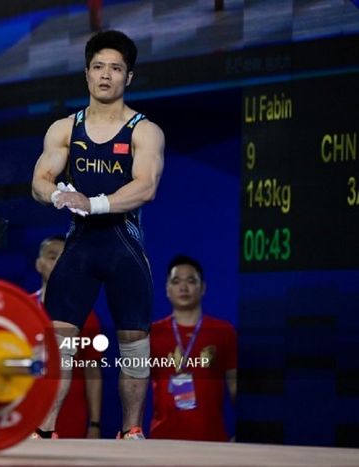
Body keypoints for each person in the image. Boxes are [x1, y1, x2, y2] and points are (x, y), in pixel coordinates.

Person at [31, 30, 165, 440]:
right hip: (81, 250)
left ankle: (132, 431)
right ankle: (43, 428)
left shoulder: (145, 131)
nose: (106, 76)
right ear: (87, 75)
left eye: (116, 68)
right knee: (60, 345)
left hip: (124, 249)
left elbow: (145, 187)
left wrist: (94, 203)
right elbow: (39, 181)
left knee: (134, 344)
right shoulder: (64, 130)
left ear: (129, 77)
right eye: (99, 67)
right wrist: (58, 195)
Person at [149, 255, 237, 441]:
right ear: (167, 289)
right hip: (162, 439)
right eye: (176, 281)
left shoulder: (223, 331)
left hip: (211, 440)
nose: (183, 287)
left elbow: (234, 385)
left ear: (203, 287)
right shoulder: (152, 333)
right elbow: (135, 386)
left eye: (191, 280)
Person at [31, 234, 104, 439]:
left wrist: (95, 423)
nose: (58, 263)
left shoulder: (86, 317)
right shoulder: (21, 311)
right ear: (39, 264)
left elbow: (93, 373)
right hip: (26, 416)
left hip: (70, 419)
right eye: (52, 256)